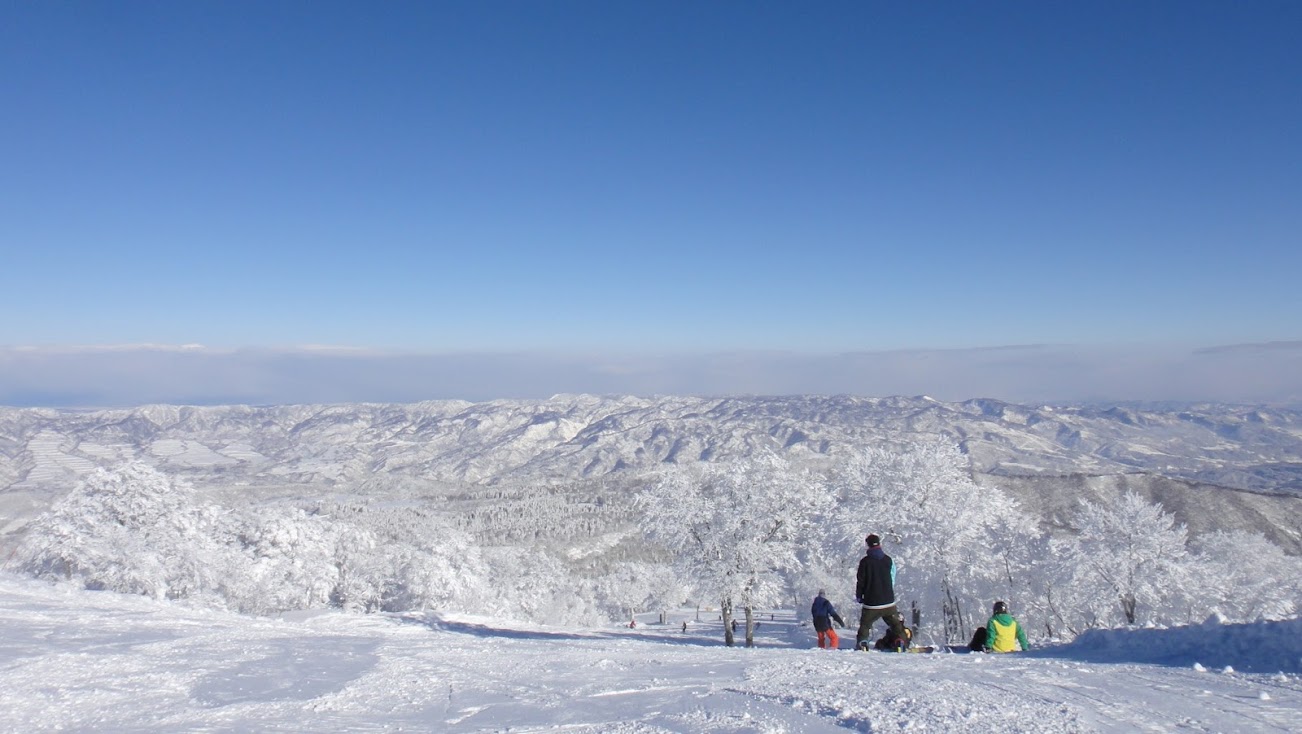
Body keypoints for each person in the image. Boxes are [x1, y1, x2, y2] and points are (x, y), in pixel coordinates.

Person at [855, 533, 909, 651]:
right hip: (888, 602)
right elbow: (892, 577)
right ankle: (900, 641)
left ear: (868, 545)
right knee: (896, 625)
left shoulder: (865, 562)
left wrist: (859, 596)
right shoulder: (888, 560)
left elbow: (861, 581)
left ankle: (862, 643)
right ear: (879, 544)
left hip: (871, 603)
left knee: (865, 625)